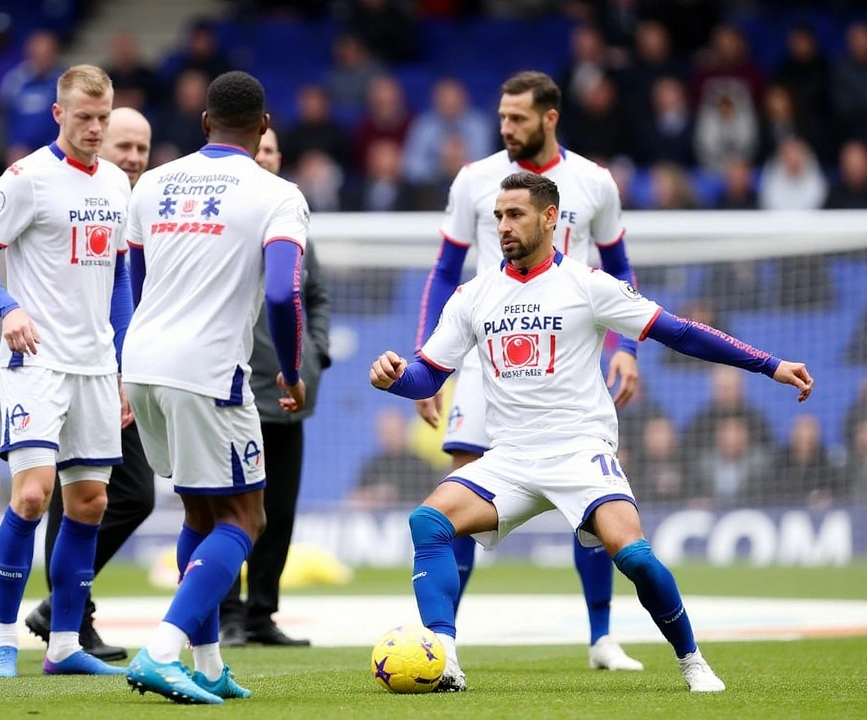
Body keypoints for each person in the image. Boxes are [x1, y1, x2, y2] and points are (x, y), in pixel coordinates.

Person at [371, 171, 813, 693]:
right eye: (498, 217)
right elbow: (428, 374)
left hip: (580, 451)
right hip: (510, 457)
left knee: (634, 556)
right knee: (428, 522)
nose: (503, 227)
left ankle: (692, 659)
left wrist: (769, 364)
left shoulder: (588, 285)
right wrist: (397, 378)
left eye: (515, 215)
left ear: (550, 217)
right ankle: (444, 658)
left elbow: (681, 332)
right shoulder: (474, 295)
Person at [413, 70, 644, 672]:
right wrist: (425, 356)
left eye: (518, 118)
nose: (506, 128)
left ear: (550, 118)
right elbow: (444, 271)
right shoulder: (475, 181)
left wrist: (625, 347)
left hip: (564, 360)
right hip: (488, 357)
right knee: (459, 489)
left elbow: (620, 266)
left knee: (589, 499)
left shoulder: (593, 182)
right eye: (502, 117)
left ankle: (600, 638)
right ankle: (446, 648)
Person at [122, 70, 309, 705]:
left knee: (199, 512)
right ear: (264, 128)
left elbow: (138, 277)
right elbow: (283, 291)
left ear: (204, 123)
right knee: (245, 516)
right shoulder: (277, 193)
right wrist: (289, 367)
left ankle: (206, 666)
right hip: (208, 373)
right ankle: (160, 651)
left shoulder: (152, 182)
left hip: (142, 361)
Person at [0, 64, 132, 680]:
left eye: (102, 118)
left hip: (93, 366)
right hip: (36, 362)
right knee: (32, 496)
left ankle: (62, 646)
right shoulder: (27, 178)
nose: (93, 128)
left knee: (89, 503)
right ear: (58, 114)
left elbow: (120, 280)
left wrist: (121, 366)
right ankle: (5, 639)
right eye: (83, 117)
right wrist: (8, 309)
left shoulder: (116, 183)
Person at [25, 106, 156, 661]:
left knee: (118, 495)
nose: (131, 158)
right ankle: (68, 615)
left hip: (125, 368)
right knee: (73, 493)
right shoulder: (68, 193)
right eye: (122, 145)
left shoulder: (142, 203)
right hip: (69, 366)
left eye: (141, 150)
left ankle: (65, 609)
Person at [219, 127, 330, 648]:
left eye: (269, 151)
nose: (261, 158)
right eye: (254, 149)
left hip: (291, 397)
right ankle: (226, 614)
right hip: (236, 390)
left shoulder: (294, 220)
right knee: (230, 506)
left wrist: (317, 354)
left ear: (278, 157)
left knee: (278, 513)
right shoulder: (222, 222)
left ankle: (261, 612)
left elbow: (318, 296)